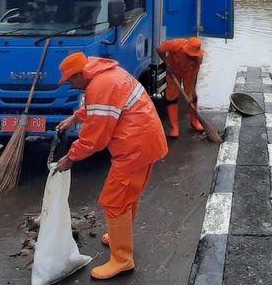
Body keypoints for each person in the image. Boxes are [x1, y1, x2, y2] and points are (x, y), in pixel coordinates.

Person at [54, 53, 168, 280]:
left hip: (134, 148)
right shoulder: (107, 75)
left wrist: (71, 157)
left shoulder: (100, 85)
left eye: (70, 80)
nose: (70, 84)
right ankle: (120, 238)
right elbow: (105, 108)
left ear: (80, 74)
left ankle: (122, 259)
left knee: (114, 200)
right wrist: (75, 117)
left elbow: (96, 138)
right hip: (145, 142)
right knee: (128, 195)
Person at [156, 36, 204, 138]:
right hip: (173, 71)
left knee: (192, 95)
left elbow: (195, 75)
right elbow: (159, 49)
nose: (192, 56)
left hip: (189, 74)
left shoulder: (199, 57)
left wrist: (190, 93)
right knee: (171, 96)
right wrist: (167, 63)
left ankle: (194, 121)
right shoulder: (175, 44)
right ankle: (174, 127)